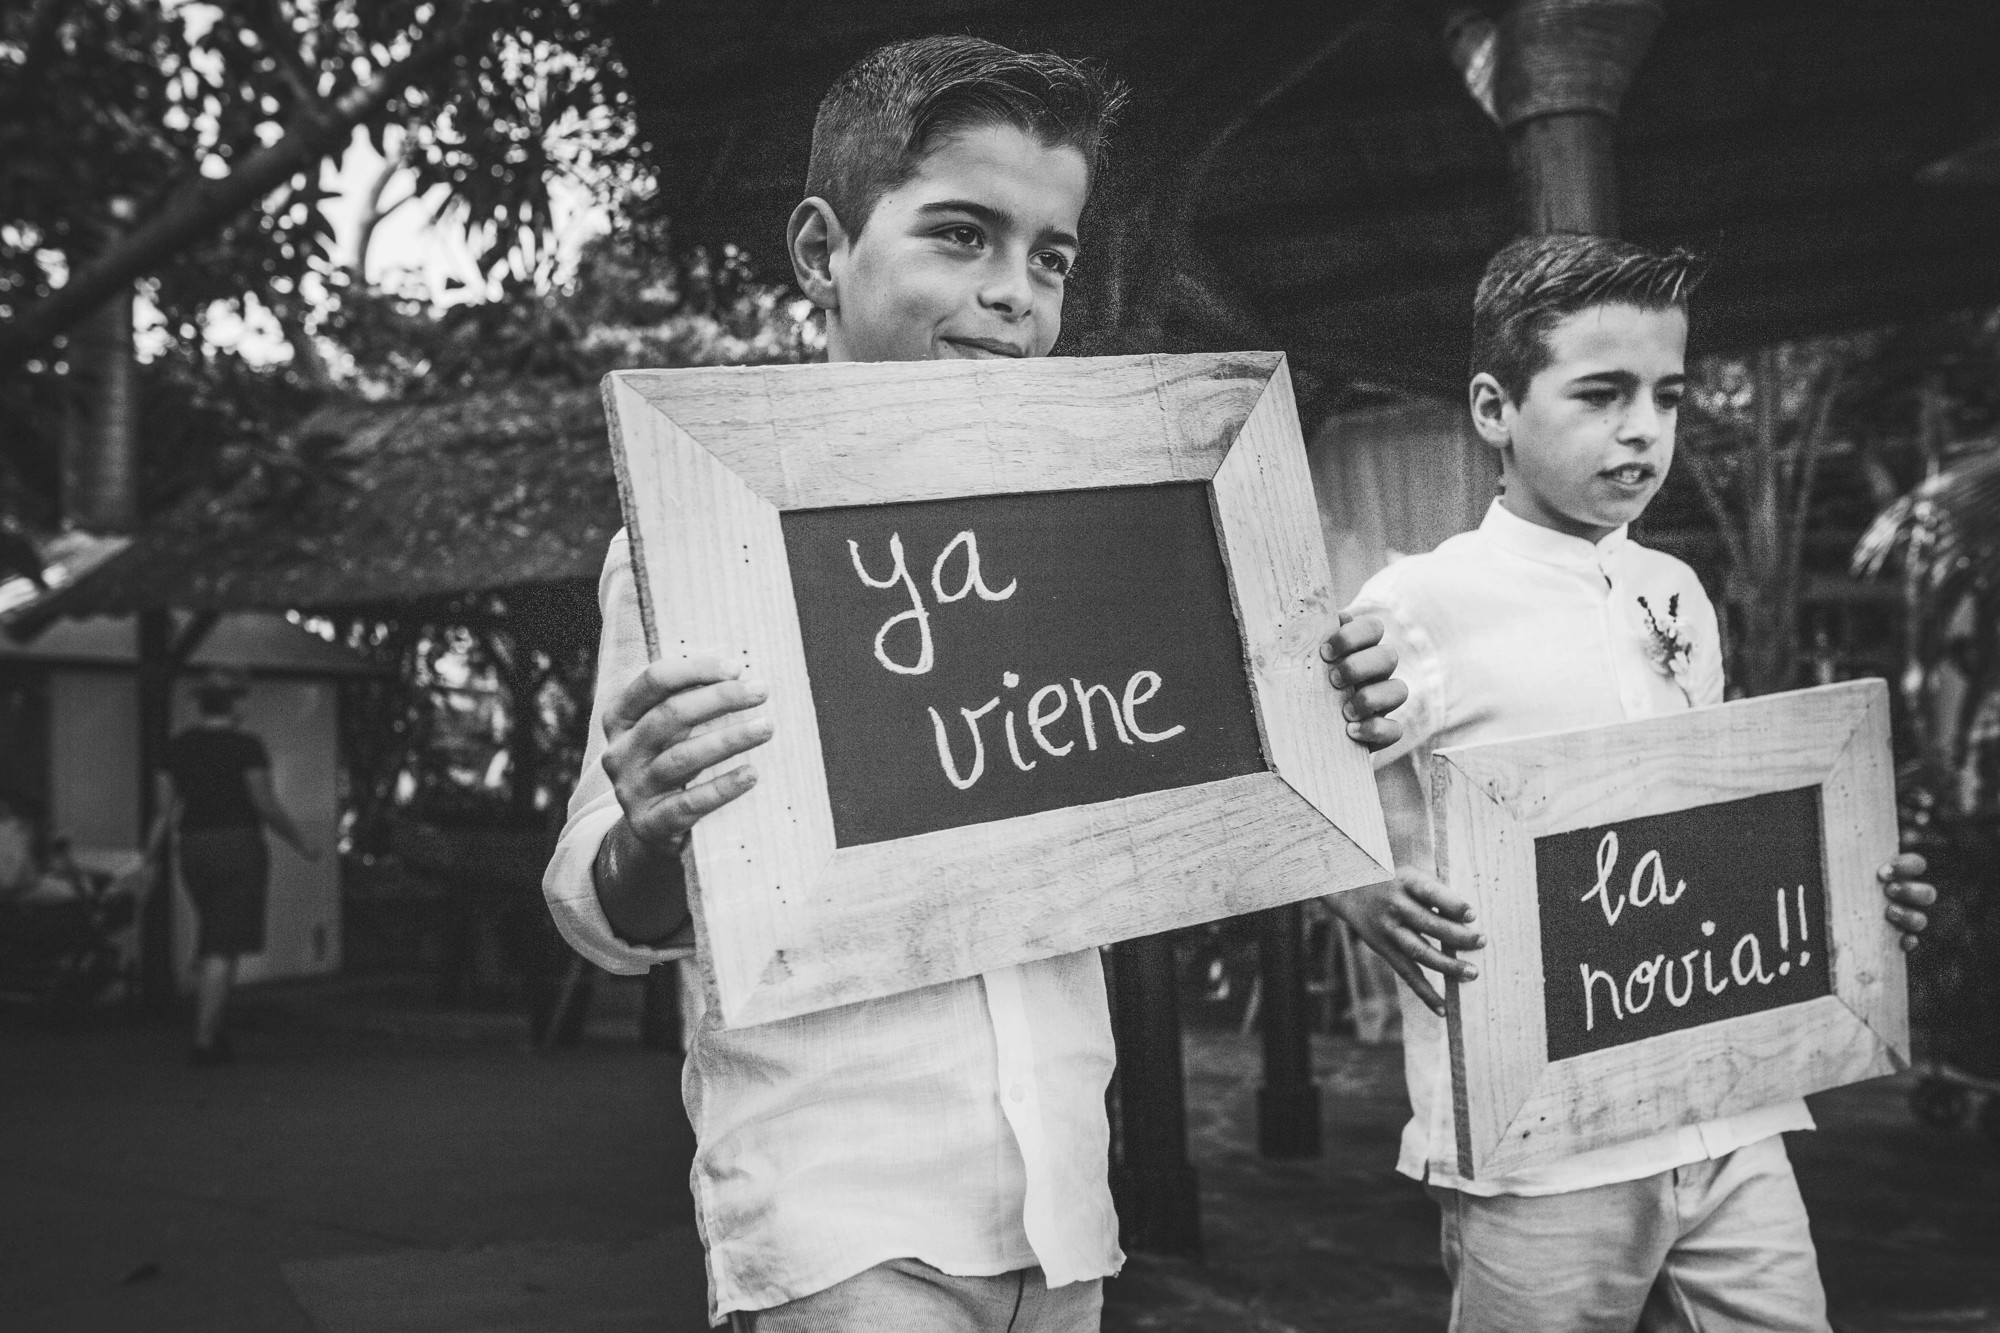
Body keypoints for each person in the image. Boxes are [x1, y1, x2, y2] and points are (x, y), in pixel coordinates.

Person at [542, 35, 1407, 1333]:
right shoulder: (704, 535)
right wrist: (653, 822)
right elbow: (601, 897)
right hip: (841, 1211)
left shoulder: (1099, 541)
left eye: (1048, 255)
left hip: (1063, 1201)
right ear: (823, 249)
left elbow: (1210, 784)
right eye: (961, 234)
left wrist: (1336, 703)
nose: (1014, 293)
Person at [1333, 233, 1936, 1332]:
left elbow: (1712, 818)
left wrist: (1847, 886)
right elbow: (1288, 798)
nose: (1642, 428)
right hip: (1539, 1143)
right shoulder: (1414, 605)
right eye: (1600, 393)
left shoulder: (1676, 591)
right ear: (1491, 409)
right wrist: (1351, 891)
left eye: (1665, 394)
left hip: (1725, 1100)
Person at [151, 668, 320, 1064]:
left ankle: (215, 1027)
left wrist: (148, 859)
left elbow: (165, 811)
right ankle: (205, 1040)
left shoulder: (176, 747)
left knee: (214, 932)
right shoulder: (247, 747)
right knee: (222, 946)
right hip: (238, 845)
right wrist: (301, 842)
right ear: (234, 705)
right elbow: (265, 805)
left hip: (192, 847)